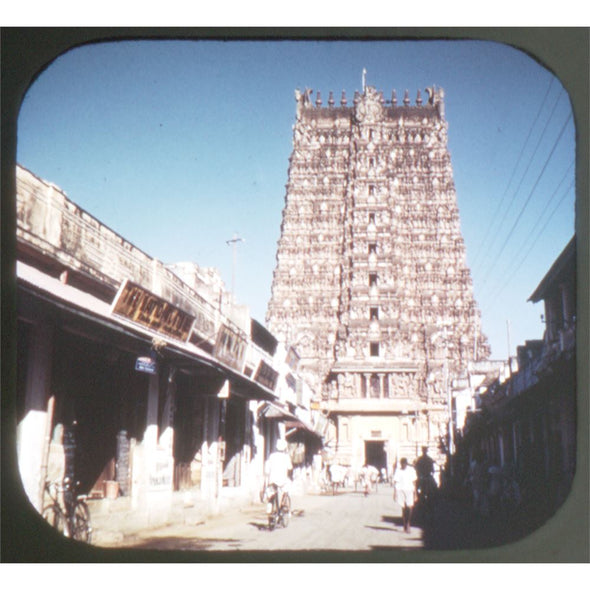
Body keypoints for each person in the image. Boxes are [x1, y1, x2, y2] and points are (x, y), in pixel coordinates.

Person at [264, 439, 292, 514]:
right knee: (286, 490)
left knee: (271, 493)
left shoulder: (272, 456)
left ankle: (270, 505)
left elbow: (267, 469)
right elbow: (290, 468)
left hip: (272, 480)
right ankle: (283, 505)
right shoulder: (286, 457)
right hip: (282, 480)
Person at [393, 458, 418, 533]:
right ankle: (405, 523)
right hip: (400, 490)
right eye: (402, 463)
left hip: (410, 490)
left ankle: (408, 522)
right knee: (404, 508)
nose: (403, 465)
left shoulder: (411, 470)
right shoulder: (398, 471)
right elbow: (395, 482)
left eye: (404, 463)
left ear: (406, 463)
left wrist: (415, 494)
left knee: (409, 507)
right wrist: (395, 493)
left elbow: (414, 482)